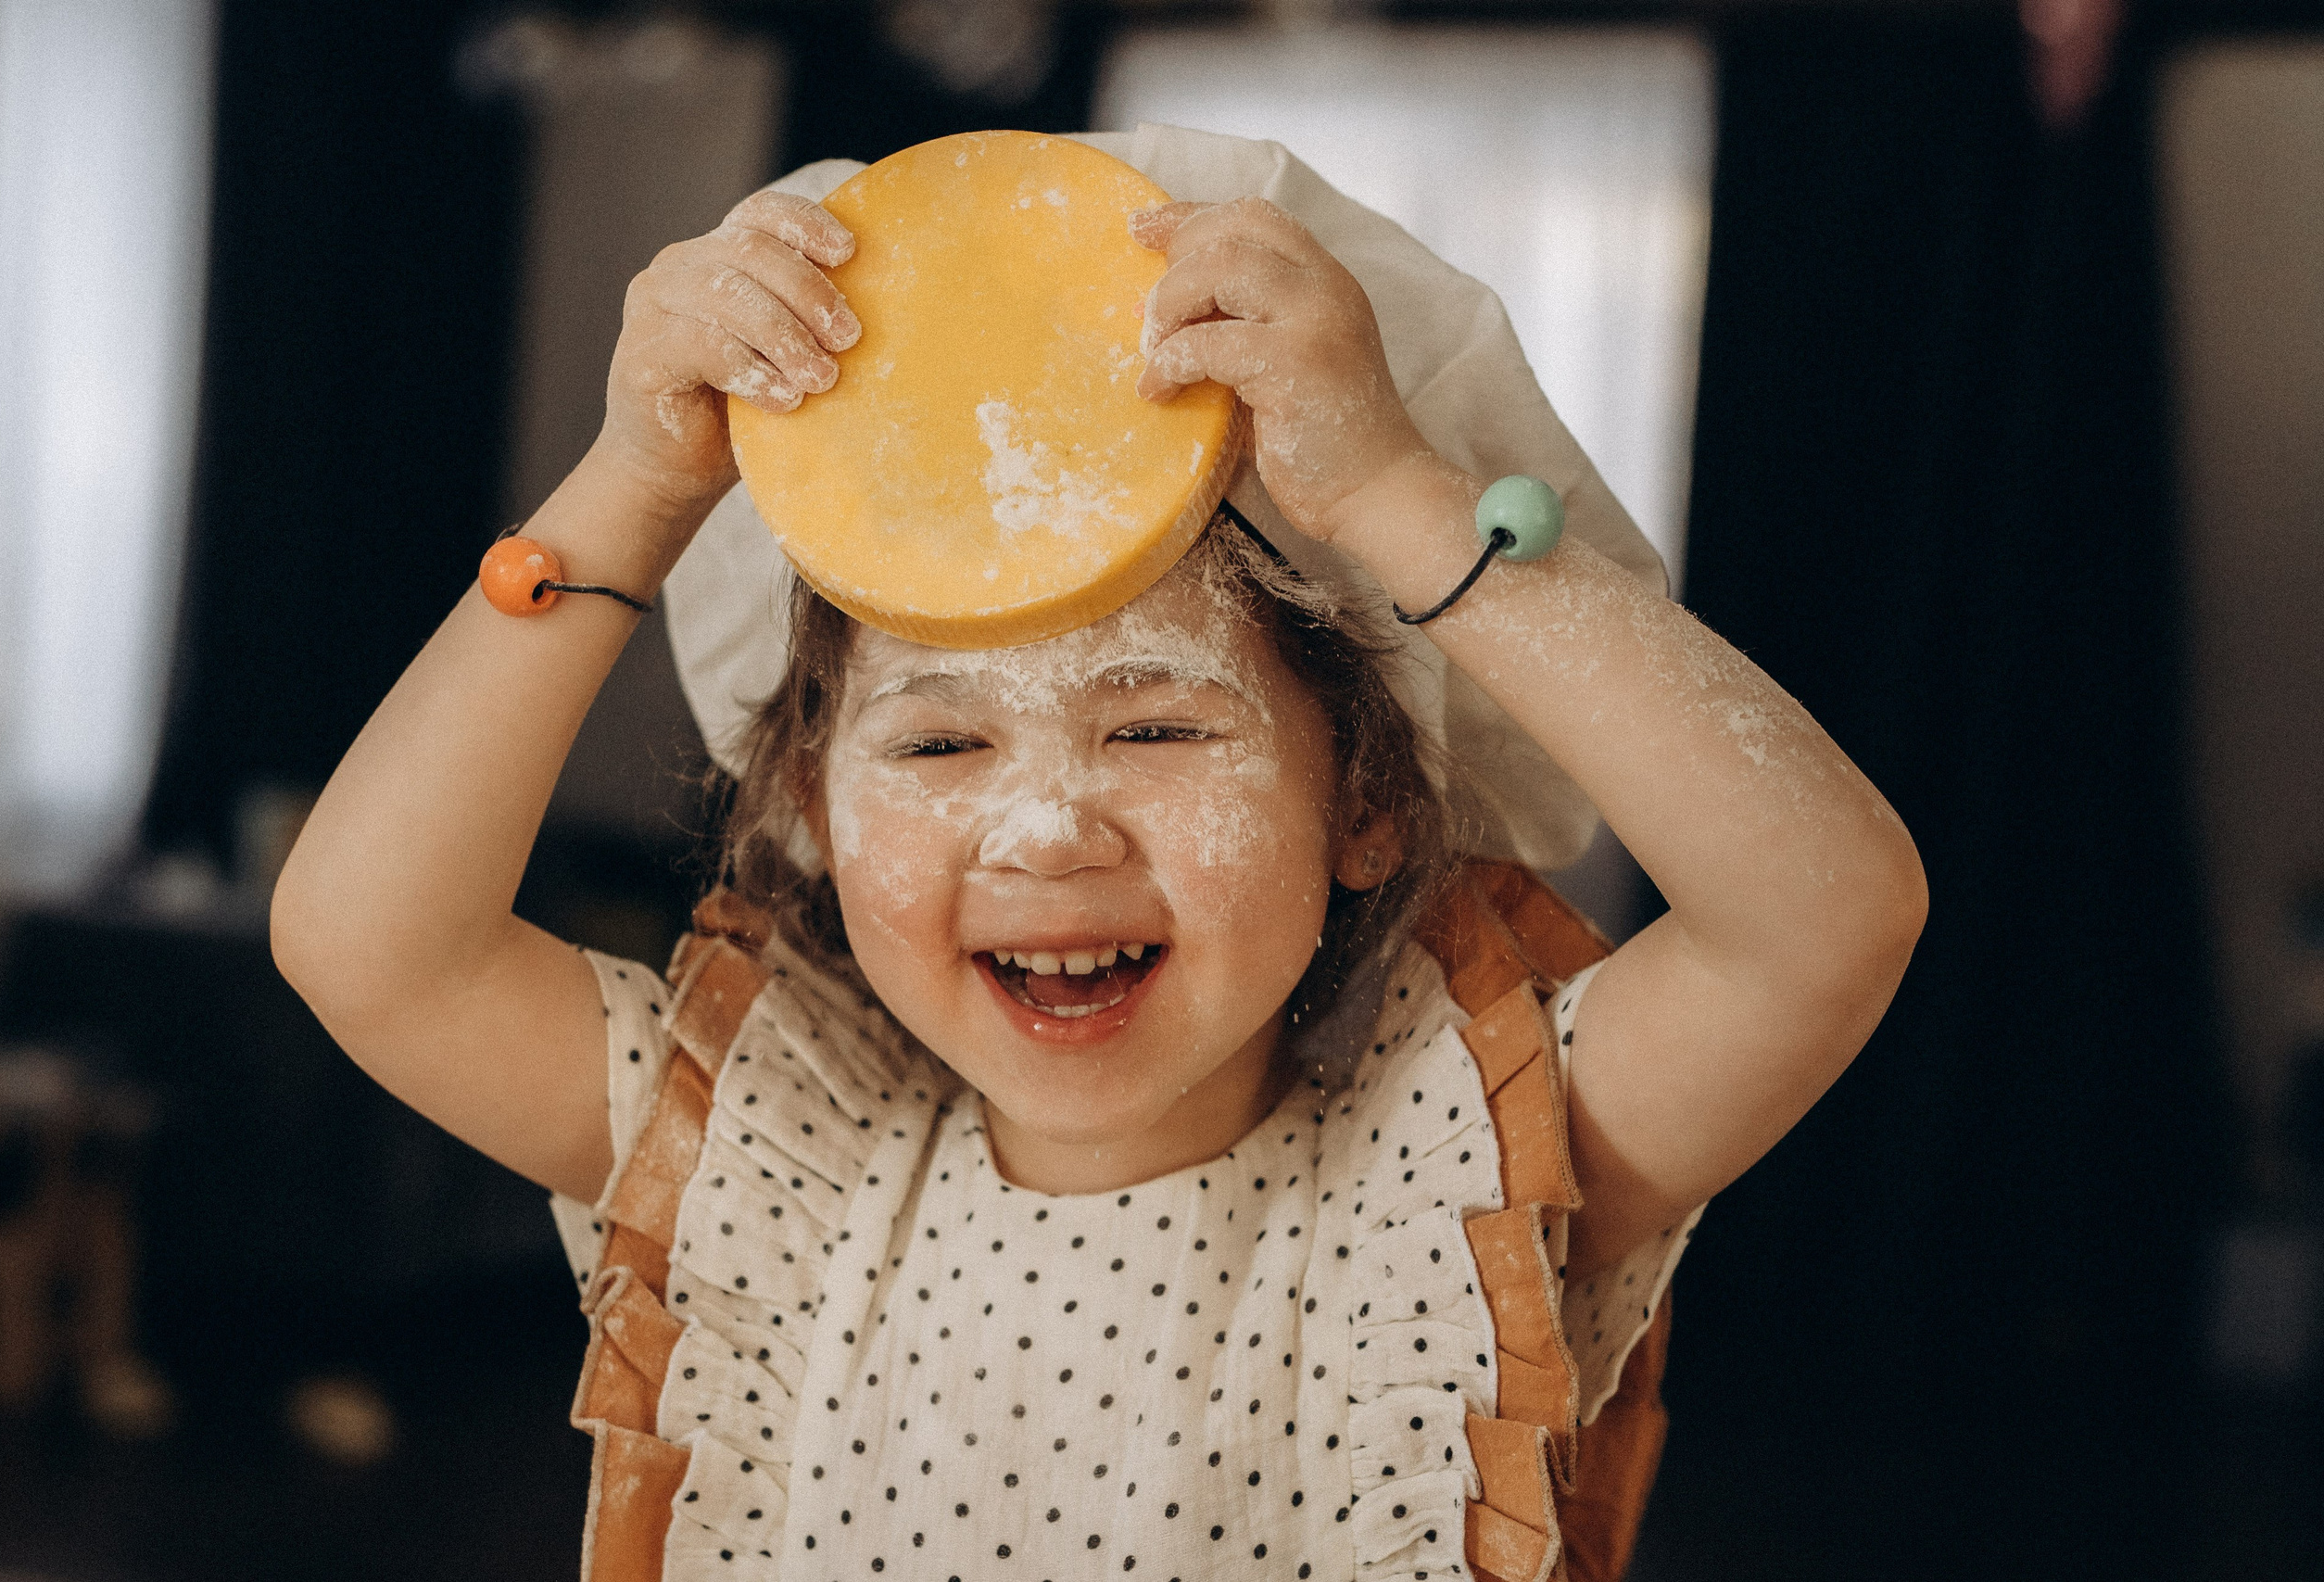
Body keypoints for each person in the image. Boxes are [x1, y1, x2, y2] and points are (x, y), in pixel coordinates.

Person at [272, 126, 1926, 1582]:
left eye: (1158, 731)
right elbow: (366, 944)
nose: (1048, 828)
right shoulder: (767, 1166)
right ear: (809, 815)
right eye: (938, 745)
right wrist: (633, 486)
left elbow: (1822, 918)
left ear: (1368, 801)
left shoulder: (1459, 1182)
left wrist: (1394, 492)